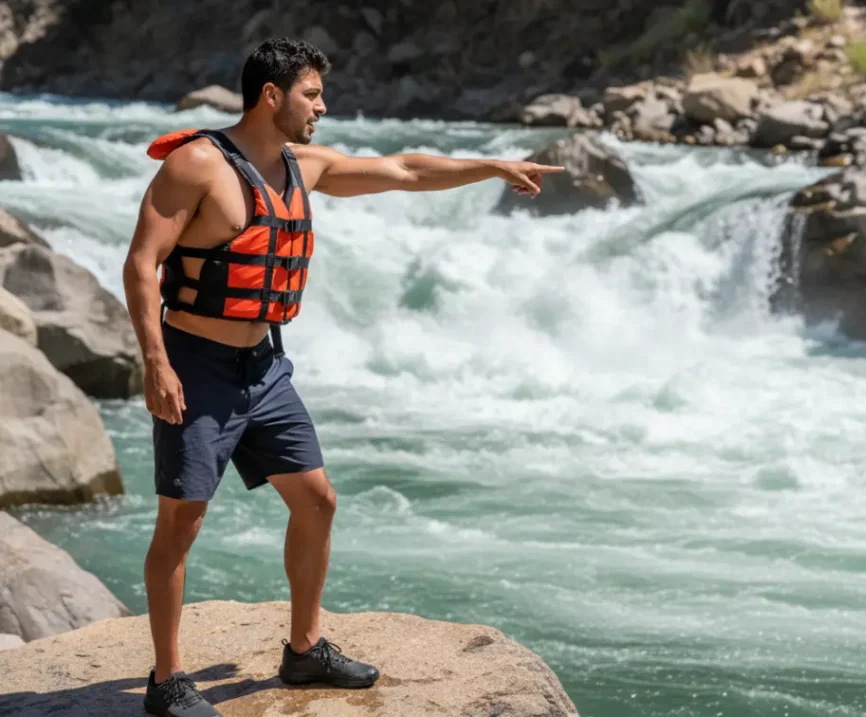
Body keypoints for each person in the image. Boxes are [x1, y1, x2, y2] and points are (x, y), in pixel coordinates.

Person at [122, 37, 563, 717]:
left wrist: (490, 166)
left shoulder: (305, 166)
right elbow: (140, 264)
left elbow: (406, 170)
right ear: (272, 96)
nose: (322, 107)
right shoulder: (197, 166)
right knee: (182, 520)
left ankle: (303, 649)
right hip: (196, 365)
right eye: (312, 94)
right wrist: (156, 362)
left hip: (264, 366)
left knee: (318, 500)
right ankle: (168, 677)